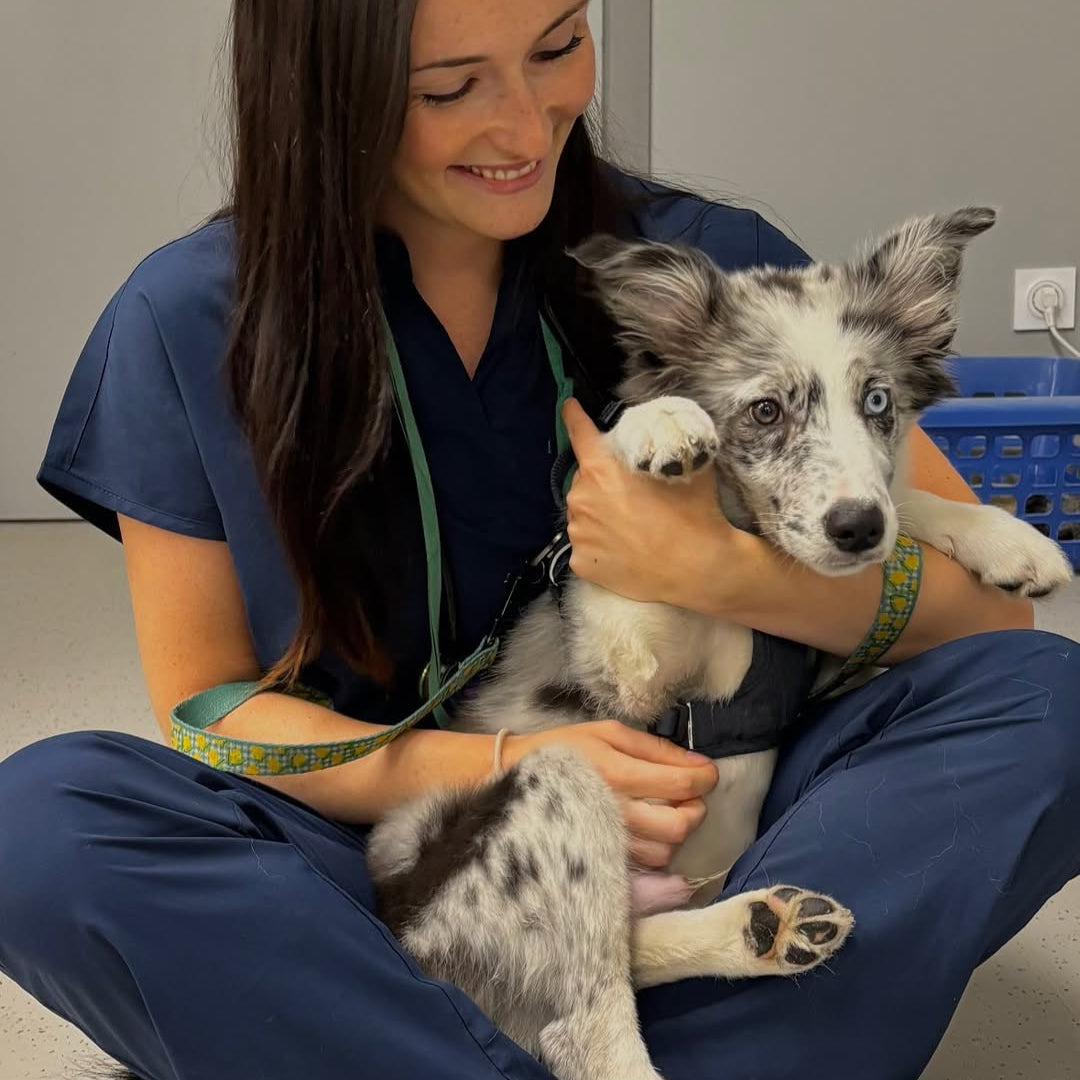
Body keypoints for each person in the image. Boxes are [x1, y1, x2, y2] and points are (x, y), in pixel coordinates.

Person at [1, 2, 1077, 1078]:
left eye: (558, 47)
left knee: (1044, 698)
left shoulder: (717, 270)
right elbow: (212, 709)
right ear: (328, 90)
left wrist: (716, 571)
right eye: (447, 88)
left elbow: (984, 613)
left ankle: (383, 1038)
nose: (526, 129)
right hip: (395, 841)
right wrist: (512, 764)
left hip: (735, 804)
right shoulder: (189, 319)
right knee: (43, 824)